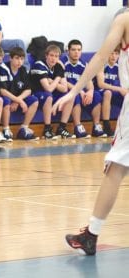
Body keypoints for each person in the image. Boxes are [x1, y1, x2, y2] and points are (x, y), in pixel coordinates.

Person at [52, 11, 129, 256]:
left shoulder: (124, 19)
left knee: (115, 167)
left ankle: (91, 235)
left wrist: (73, 92)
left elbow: (100, 56)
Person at [63, 39, 106, 138]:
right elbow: (64, 82)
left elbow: (89, 81)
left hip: (81, 91)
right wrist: (79, 91)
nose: (76, 52)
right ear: (68, 51)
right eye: (73, 50)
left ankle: (96, 126)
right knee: (75, 95)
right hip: (69, 90)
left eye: (79, 50)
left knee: (96, 95)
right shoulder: (62, 63)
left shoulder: (84, 64)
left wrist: (90, 91)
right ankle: (77, 126)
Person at [30, 45, 74, 139]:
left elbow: (64, 88)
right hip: (37, 93)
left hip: (51, 92)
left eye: (56, 56)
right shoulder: (39, 65)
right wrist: (58, 79)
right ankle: (47, 130)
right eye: (51, 55)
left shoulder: (58, 66)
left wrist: (53, 80)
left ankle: (61, 128)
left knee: (70, 96)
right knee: (48, 96)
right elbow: (48, 89)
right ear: (46, 55)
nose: (53, 59)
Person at [0, 47, 39, 141]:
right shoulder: (3, 68)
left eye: (21, 59)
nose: (19, 61)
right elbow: (3, 91)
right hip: (6, 97)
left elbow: (28, 90)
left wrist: (18, 101)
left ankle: (23, 128)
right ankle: (6, 129)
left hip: (17, 98)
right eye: (17, 58)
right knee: (6, 100)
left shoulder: (23, 70)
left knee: (34, 101)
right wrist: (19, 101)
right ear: (10, 58)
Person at [95, 46, 126, 137]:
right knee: (108, 93)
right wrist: (120, 89)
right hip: (100, 91)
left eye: (116, 54)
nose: (113, 56)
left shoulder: (120, 66)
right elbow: (101, 84)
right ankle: (106, 125)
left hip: (115, 91)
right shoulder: (102, 64)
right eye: (111, 53)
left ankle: (124, 126)